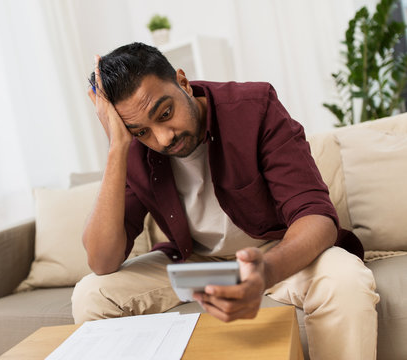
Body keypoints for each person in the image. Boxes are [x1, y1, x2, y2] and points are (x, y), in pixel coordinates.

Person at [71, 42, 379, 359]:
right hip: (196, 263)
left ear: (183, 82)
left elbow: (316, 217)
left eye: (165, 113)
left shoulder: (253, 106)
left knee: (345, 281)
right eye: (141, 132)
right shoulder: (133, 148)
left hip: (275, 249)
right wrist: (117, 148)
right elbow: (101, 261)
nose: (162, 138)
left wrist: (264, 272)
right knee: (92, 294)